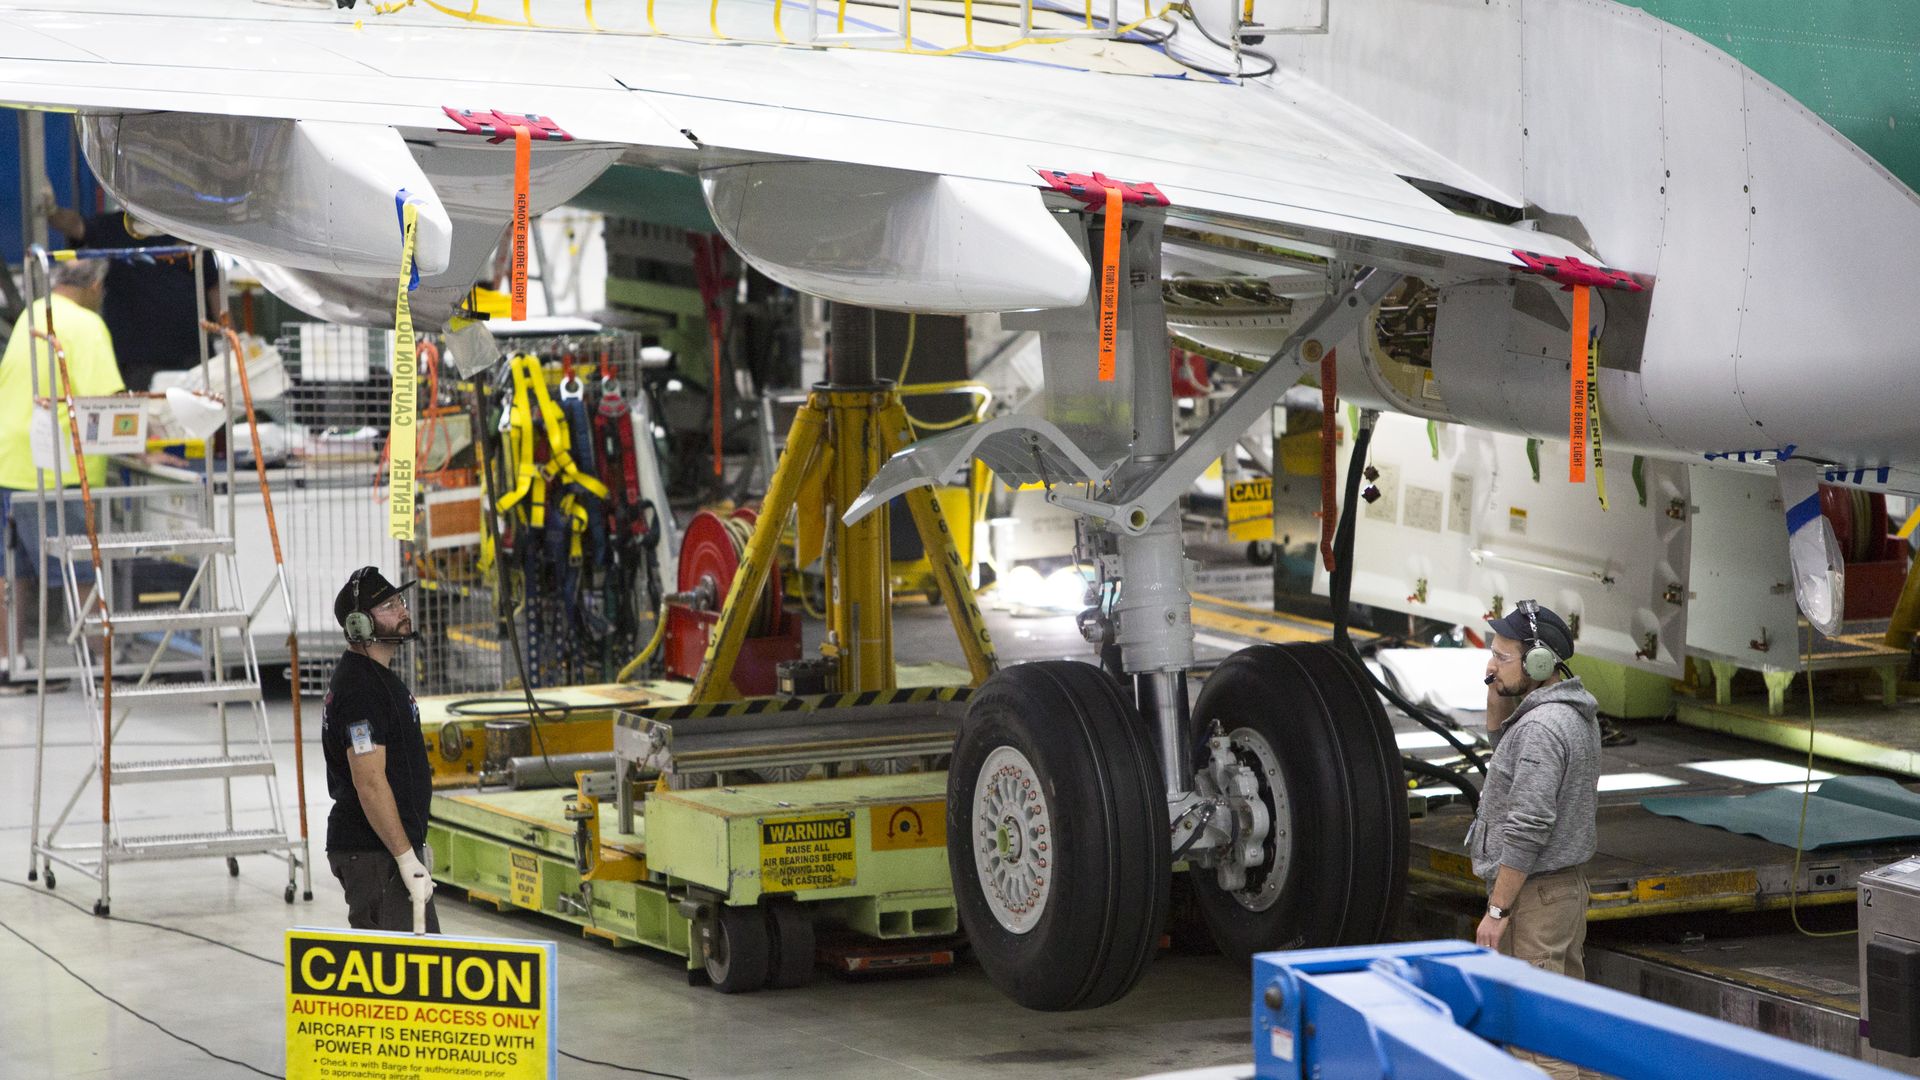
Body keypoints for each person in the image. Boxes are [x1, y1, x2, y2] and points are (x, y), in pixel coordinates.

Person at [0, 257, 124, 671]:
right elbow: (109, 403)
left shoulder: (33, 313)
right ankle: (100, 660)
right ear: (94, 287)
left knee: (12, 568)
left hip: (9, 457)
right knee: (78, 567)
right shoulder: (87, 326)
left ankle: (9, 659)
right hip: (59, 464)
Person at [1472, 600, 1601, 970]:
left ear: (1538, 663)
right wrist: (1497, 688)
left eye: (1502, 657)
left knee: (1534, 1020)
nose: (1491, 665)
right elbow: (1505, 751)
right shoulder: (1569, 711)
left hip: (1533, 899)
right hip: (1555, 893)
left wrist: (1498, 911)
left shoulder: (1541, 728)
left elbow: (1528, 825)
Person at [321, 566, 439, 933]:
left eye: (399, 600)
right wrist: (405, 858)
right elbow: (369, 783)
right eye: (388, 605)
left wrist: (413, 845)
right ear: (358, 625)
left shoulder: (375, 679)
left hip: (384, 851)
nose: (403, 610)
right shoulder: (360, 691)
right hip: (375, 856)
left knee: (418, 974)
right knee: (404, 977)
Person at [46, 205, 217, 392]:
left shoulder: (187, 229)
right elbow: (74, 225)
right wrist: (51, 209)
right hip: (138, 364)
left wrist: (232, 341)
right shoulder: (114, 227)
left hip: (195, 359)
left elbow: (213, 288)